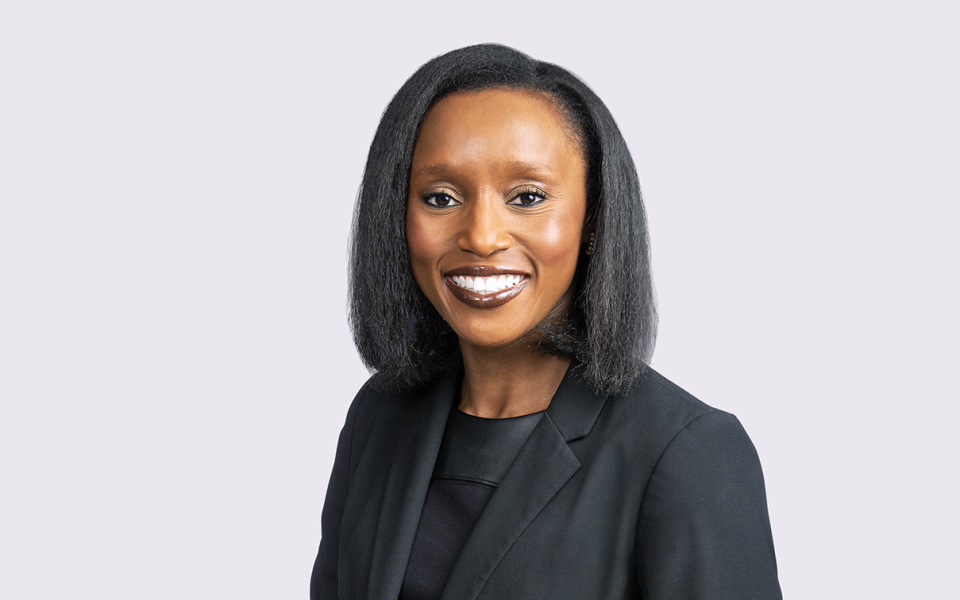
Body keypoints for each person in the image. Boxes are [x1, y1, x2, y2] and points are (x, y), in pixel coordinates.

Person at [311, 44, 781, 600]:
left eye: (527, 197)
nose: (481, 236)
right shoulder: (379, 417)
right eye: (440, 197)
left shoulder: (689, 453)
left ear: (593, 219)